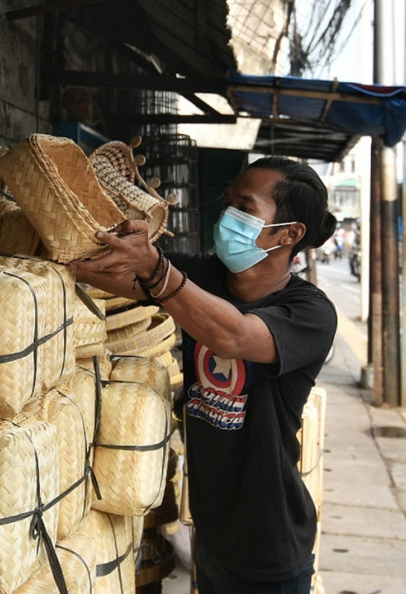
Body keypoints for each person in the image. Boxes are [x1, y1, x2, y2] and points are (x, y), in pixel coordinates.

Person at [67, 156, 337, 594]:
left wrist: (155, 269)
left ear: (289, 235)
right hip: (211, 530)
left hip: (268, 542)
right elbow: (107, 272)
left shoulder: (309, 313)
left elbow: (234, 335)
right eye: (228, 203)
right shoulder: (207, 275)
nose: (228, 217)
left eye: (245, 209)